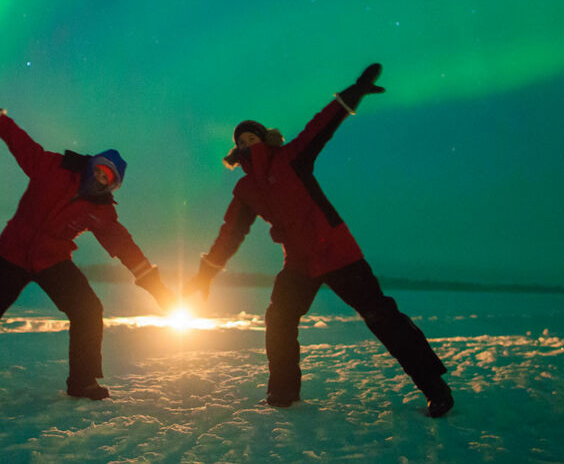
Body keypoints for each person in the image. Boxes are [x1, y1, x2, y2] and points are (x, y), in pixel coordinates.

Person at [183, 63, 454, 416]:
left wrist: (353, 92)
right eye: (240, 142)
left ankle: (435, 387)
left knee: (381, 316)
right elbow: (229, 234)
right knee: (279, 318)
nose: (246, 144)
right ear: (236, 151)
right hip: (298, 262)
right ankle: (282, 392)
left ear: (264, 139)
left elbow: (321, 126)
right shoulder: (246, 188)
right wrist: (205, 275)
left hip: (338, 253)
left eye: (252, 138)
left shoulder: (291, 157)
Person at [0, 80, 176, 400]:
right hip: (11, 255)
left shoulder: (102, 212)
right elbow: (18, 141)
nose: (100, 178)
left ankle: (83, 382)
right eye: (100, 169)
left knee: (88, 308)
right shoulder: (52, 167)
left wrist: (158, 288)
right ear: (92, 164)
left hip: (53, 260)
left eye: (109, 179)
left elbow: (126, 248)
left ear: (112, 186)